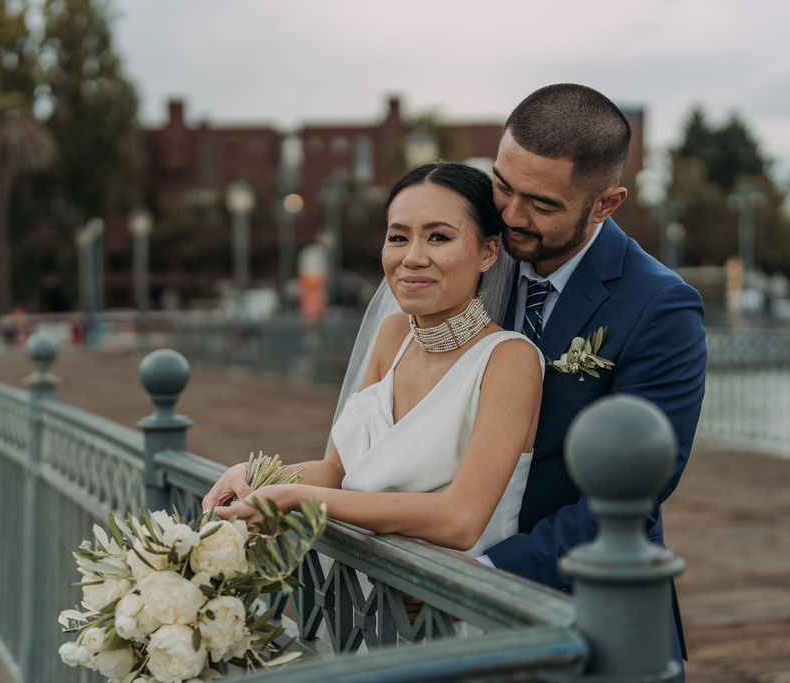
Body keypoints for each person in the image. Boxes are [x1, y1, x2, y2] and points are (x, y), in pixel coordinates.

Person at [203, 162, 544, 558]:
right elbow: (337, 471)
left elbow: (461, 519)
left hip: (453, 604)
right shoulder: (394, 335)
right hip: (365, 599)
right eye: (398, 237)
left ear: (488, 252)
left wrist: (296, 497)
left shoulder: (509, 360)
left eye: (438, 237)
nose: (413, 257)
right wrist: (256, 475)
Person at [480, 84, 706, 670]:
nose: (510, 215)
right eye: (502, 185)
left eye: (542, 204)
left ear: (606, 203)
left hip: (589, 616)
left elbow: (633, 497)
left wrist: (482, 574)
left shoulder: (660, 307)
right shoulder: (478, 254)